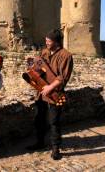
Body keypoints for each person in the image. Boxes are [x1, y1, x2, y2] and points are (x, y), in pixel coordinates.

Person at [26, 29, 73, 160]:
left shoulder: (66, 56)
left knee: (54, 121)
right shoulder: (45, 52)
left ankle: (56, 149)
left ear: (57, 42)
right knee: (39, 118)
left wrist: (50, 87)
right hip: (41, 92)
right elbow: (40, 69)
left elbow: (63, 77)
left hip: (55, 94)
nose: (46, 42)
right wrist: (31, 65)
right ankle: (40, 142)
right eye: (46, 40)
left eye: (49, 41)